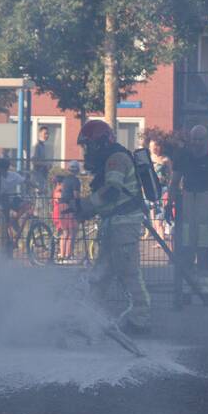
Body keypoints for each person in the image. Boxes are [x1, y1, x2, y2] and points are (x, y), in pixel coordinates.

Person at [71, 120, 152, 336]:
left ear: (100, 143)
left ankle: (140, 320)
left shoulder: (116, 159)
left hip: (124, 225)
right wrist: (87, 211)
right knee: (102, 272)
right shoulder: (110, 159)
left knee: (129, 272)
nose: (86, 151)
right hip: (114, 224)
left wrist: (85, 205)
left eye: (89, 146)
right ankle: (88, 317)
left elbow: (112, 191)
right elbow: (108, 199)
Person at [167, 125, 208, 307]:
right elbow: (174, 182)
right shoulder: (183, 157)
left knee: (205, 251)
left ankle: (207, 291)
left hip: (206, 204)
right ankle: (186, 290)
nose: (197, 143)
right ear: (190, 140)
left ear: (207, 140)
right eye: (194, 139)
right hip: (187, 205)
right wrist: (169, 204)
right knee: (186, 251)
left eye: (200, 139)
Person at [52, 160, 82, 261]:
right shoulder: (75, 181)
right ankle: (69, 256)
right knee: (72, 232)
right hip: (70, 206)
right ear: (77, 170)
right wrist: (79, 208)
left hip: (61, 205)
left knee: (65, 232)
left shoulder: (65, 180)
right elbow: (76, 195)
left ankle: (62, 256)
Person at [31, 126, 51, 209]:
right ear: (40, 133)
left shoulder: (43, 146)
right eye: (45, 133)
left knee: (43, 195)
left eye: (48, 134)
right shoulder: (37, 146)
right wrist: (45, 165)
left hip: (42, 175)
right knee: (39, 196)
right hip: (38, 174)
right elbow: (34, 161)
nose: (47, 135)